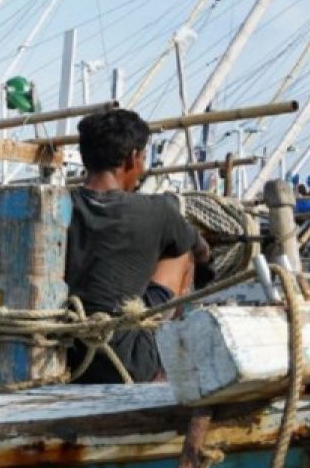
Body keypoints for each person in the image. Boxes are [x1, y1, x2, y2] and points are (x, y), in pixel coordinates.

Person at [65, 109, 211, 383]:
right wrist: (202, 257)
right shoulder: (159, 211)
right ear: (133, 158)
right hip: (127, 362)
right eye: (143, 158)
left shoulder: (56, 203)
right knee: (182, 251)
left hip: (64, 355)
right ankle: (163, 361)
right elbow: (201, 250)